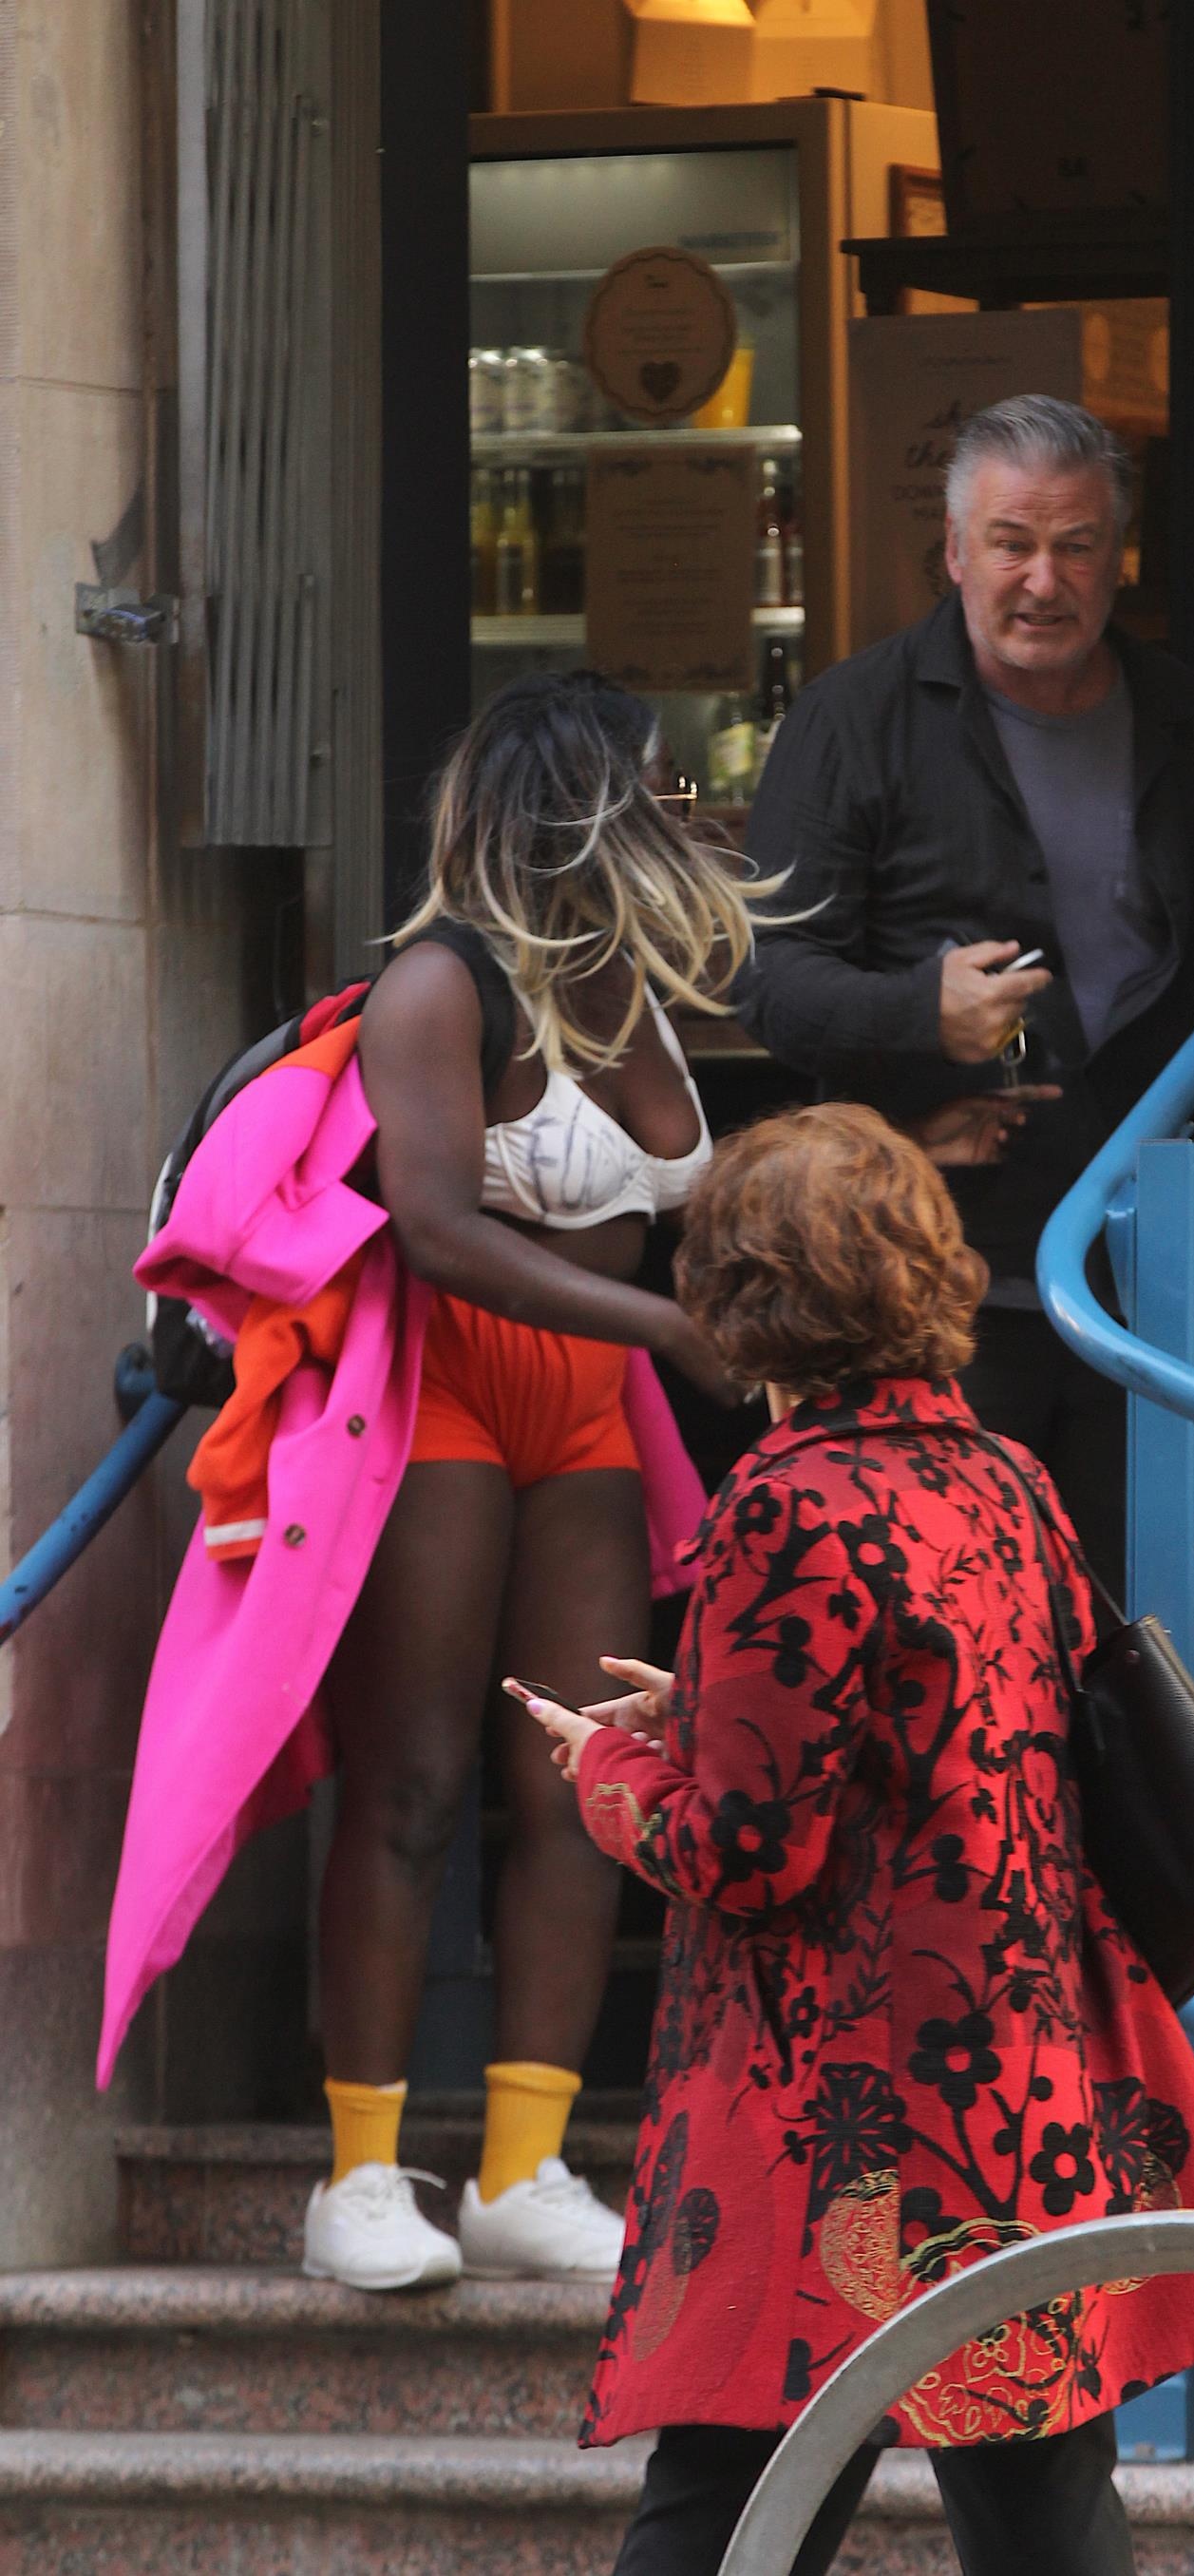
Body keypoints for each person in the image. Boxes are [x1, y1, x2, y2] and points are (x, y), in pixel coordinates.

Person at [517, 1101, 1194, 2576]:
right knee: (1046, 2518)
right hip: (1011, 2084)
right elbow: (968, 1723)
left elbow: (750, 1851)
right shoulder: (1002, 1479)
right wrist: (715, 1702)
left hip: (831, 2115)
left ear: (747, 1295)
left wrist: (610, 1765)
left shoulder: (785, 1502)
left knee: (725, 2511)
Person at [307, 671, 758, 2290]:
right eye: (652, 786)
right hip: (439, 1391)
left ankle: (520, 2166)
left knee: (582, 1781)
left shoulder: (630, 989)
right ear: (573, 799)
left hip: (585, 1411)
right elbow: (435, 1223)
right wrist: (670, 1327)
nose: (678, 812)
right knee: (415, 1779)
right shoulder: (435, 985)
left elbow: (674, 1196)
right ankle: (360, 2171)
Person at [737, 394, 1194, 1588]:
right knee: (964, 1618)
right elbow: (764, 982)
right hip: (943, 1278)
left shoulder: (1190, 722)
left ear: (1119, 557)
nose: (1044, 578)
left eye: (1077, 544)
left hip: (1163, 1275)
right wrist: (914, 1016)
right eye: (1013, 542)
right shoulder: (853, 719)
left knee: (1152, 1630)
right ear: (955, 551)